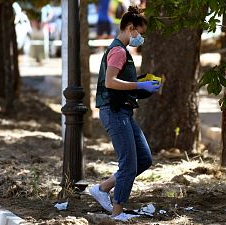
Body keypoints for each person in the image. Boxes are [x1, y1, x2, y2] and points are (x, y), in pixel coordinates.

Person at [90, 5, 160, 218]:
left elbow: (121, 82)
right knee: (128, 164)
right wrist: (139, 86)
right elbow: (110, 82)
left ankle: (102, 188)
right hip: (114, 112)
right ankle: (116, 213)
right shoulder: (119, 51)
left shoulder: (122, 50)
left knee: (144, 159)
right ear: (131, 28)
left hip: (124, 112)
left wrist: (141, 84)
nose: (141, 38)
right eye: (140, 33)